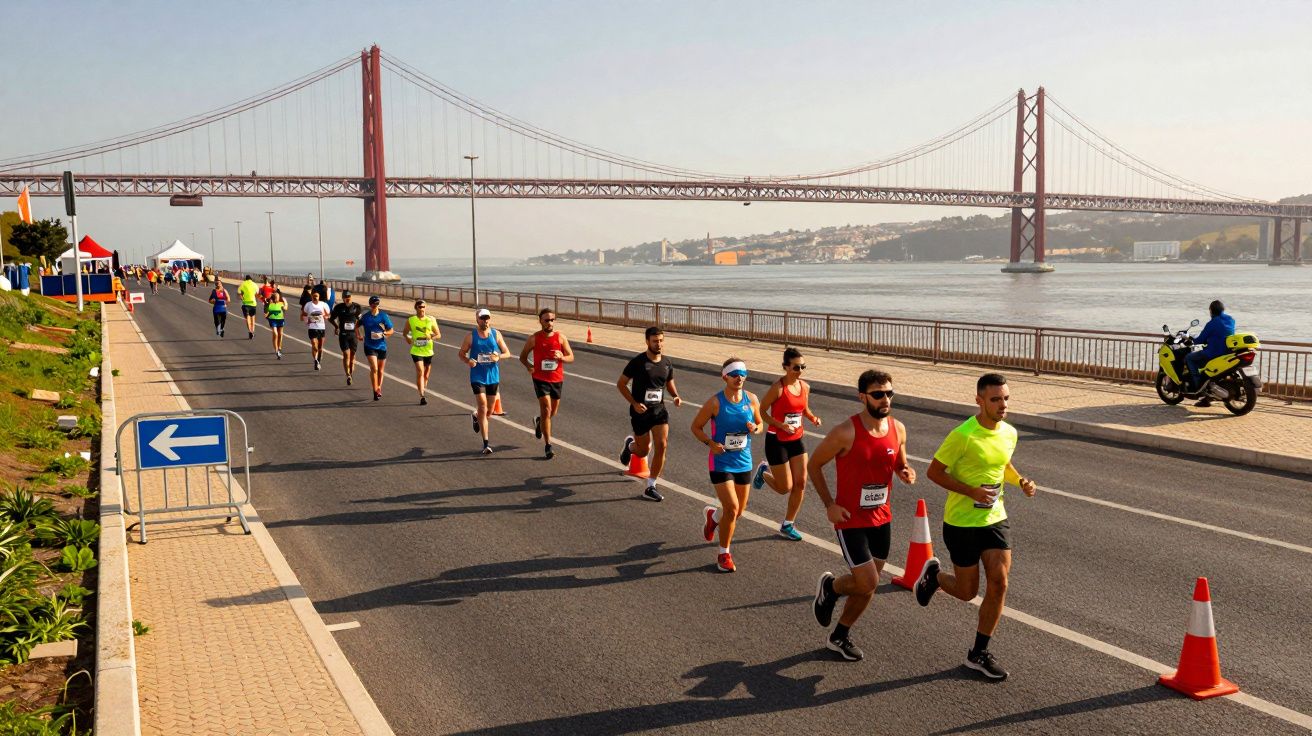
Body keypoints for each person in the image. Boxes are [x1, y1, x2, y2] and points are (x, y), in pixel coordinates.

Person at [915, 373, 1037, 681]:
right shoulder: (963, 435)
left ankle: (979, 653)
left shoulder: (1009, 433)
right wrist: (970, 491)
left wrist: (1020, 480)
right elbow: (933, 472)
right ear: (979, 401)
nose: (1002, 405)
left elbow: (1002, 464)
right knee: (968, 591)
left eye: (1006, 398)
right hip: (961, 522)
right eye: (995, 399)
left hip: (994, 518)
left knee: (999, 581)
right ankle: (935, 577)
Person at [809, 370, 914, 662]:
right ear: (862, 397)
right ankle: (830, 587)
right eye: (878, 394)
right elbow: (814, 465)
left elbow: (898, 462)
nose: (885, 399)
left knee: (869, 584)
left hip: (882, 517)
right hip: (850, 519)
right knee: (867, 581)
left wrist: (904, 471)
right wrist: (829, 503)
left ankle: (839, 635)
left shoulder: (898, 428)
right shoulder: (846, 431)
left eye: (889, 393)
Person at [692, 358, 764, 573]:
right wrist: (710, 443)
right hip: (721, 462)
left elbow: (760, 424)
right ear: (725, 377)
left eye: (742, 373)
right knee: (731, 509)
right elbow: (696, 427)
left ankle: (713, 517)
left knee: (738, 512)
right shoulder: (715, 402)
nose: (739, 377)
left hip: (743, 462)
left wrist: (755, 428)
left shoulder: (751, 399)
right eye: (734, 374)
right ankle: (724, 553)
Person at [752, 347, 823, 541]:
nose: (800, 371)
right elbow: (762, 411)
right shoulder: (778, 388)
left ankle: (788, 524)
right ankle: (763, 471)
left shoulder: (805, 387)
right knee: (785, 488)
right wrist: (780, 424)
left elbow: (804, 409)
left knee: (801, 483)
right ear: (785, 367)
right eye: (796, 367)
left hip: (796, 439)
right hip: (777, 441)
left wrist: (813, 418)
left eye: (803, 367)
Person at [617, 327, 683, 501]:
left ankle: (651, 485)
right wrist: (634, 403)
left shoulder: (667, 362)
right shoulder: (638, 362)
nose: (659, 344)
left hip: (659, 411)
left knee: (662, 445)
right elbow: (621, 384)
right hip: (640, 412)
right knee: (643, 450)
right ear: (647, 341)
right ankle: (630, 446)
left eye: (661, 340)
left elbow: (669, 383)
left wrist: (675, 396)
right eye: (655, 341)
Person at [518, 308, 575, 459]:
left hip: (557, 379)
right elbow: (522, 357)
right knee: (547, 408)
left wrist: (562, 357)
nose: (550, 323)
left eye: (552, 320)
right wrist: (530, 367)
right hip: (540, 378)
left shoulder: (561, 337)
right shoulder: (534, 338)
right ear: (540, 321)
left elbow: (571, 357)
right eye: (546, 320)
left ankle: (539, 421)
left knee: (552, 412)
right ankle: (548, 445)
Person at [459, 308, 512, 455]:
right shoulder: (471, 336)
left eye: (487, 318)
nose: (485, 321)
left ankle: (476, 416)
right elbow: (461, 353)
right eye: (482, 318)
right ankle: (486, 443)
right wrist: (468, 360)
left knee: (488, 411)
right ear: (477, 320)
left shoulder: (496, 334)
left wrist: (498, 357)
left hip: (493, 377)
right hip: (477, 376)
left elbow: (507, 353)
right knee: (482, 405)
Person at [1187, 299, 1236, 407]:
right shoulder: (1231, 320)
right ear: (1223, 309)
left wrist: (1191, 340)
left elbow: (1200, 340)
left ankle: (1197, 386)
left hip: (1213, 353)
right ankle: (1208, 396)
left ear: (1212, 311)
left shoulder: (1213, 323)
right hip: (1227, 353)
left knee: (1190, 358)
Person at [404, 300, 441, 405]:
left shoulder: (431, 319)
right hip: (416, 350)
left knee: (426, 373)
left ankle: (423, 386)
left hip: (428, 350)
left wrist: (431, 336)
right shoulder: (411, 320)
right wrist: (409, 339)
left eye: (424, 307)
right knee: (420, 371)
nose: (422, 309)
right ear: (416, 308)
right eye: (420, 307)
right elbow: (405, 333)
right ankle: (422, 396)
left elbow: (438, 335)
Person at [359, 296, 394, 400]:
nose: (375, 305)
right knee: (374, 368)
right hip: (369, 346)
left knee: (381, 371)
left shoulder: (383, 316)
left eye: (377, 303)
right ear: (370, 305)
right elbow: (357, 325)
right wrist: (359, 335)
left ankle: (379, 387)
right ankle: (375, 391)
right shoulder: (365, 317)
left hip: (381, 346)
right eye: (374, 303)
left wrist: (385, 333)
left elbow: (391, 330)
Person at [329, 290, 364, 386]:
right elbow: (331, 319)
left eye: (348, 297)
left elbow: (360, 322)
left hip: (353, 335)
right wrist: (336, 327)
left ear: (351, 297)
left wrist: (360, 334)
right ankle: (348, 374)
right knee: (346, 355)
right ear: (343, 298)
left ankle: (351, 374)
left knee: (352, 357)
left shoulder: (357, 307)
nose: (346, 299)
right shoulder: (339, 307)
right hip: (343, 334)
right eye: (345, 297)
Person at [301, 290, 330, 370]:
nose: (315, 297)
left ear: (319, 297)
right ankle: (316, 361)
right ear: (312, 297)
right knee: (314, 345)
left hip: (321, 328)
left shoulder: (323, 305)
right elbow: (303, 314)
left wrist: (325, 317)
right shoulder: (308, 305)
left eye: (316, 296)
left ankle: (319, 360)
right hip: (312, 328)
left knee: (320, 347)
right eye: (314, 296)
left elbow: (328, 315)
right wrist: (307, 321)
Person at [264, 290, 287, 358]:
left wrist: (285, 302)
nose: (278, 298)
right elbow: (265, 312)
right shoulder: (269, 304)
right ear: (274, 298)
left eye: (278, 297)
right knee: (275, 333)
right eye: (276, 297)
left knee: (280, 334)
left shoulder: (281, 303)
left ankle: (279, 347)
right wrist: (266, 304)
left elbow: (285, 308)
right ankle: (276, 350)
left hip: (280, 320)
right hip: (273, 320)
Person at [237, 274, 259, 339]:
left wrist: (242, 297)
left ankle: (250, 331)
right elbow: (257, 293)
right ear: (251, 279)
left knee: (247, 318)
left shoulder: (243, 284)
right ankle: (253, 331)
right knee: (253, 318)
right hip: (253, 304)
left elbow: (239, 292)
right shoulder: (254, 284)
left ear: (246, 279)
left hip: (245, 304)